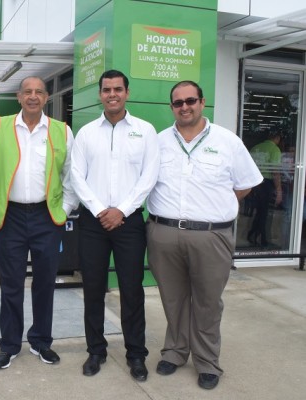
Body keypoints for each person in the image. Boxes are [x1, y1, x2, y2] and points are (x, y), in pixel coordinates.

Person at [146, 80, 263, 390]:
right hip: (163, 233)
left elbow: (246, 183)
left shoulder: (228, 141)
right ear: (171, 107)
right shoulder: (157, 142)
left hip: (211, 237)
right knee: (173, 299)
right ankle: (174, 352)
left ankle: (207, 361)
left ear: (202, 102)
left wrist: (216, 206)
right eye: (178, 102)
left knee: (208, 302)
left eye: (191, 100)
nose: (185, 106)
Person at [0, 76, 78, 370]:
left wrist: (62, 210)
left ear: (47, 97)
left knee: (45, 283)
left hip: (46, 218)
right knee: (10, 284)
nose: (33, 96)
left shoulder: (62, 130)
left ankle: (41, 342)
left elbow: (72, 177)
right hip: (10, 217)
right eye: (28, 92)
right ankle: (9, 345)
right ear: (19, 96)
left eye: (38, 91)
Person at [70, 70, 160, 382]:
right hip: (93, 222)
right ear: (100, 94)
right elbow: (76, 176)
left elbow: (149, 177)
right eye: (106, 89)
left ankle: (136, 354)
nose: (112, 94)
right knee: (93, 288)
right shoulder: (86, 133)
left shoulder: (145, 131)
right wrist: (99, 210)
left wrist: (121, 210)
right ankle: (96, 350)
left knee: (132, 290)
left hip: (130, 221)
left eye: (118, 89)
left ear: (127, 92)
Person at [247, 132, 283, 247]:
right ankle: (262, 240)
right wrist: (279, 190)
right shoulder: (275, 149)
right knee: (264, 213)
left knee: (259, 212)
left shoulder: (255, 148)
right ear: (277, 138)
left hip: (254, 183)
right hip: (266, 184)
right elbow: (275, 171)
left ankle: (252, 234)